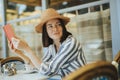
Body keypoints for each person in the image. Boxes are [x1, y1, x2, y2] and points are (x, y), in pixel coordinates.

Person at [9, 8, 86, 78]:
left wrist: (27, 49)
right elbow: (38, 67)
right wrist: (20, 53)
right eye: (50, 26)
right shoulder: (52, 47)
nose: (55, 29)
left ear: (63, 27)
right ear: (45, 31)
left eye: (58, 24)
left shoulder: (71, 43)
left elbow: (47, 71)